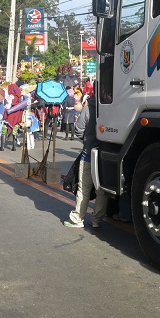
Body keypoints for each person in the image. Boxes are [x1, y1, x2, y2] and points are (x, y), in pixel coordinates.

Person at [64, 92, 109, 229]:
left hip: (88, 154)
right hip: (106, 155)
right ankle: (97, 219)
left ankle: (78, 218)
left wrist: (88, 140)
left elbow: (78, 129)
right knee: (101, 190)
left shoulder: (88, 108)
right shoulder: (111, 108)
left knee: (83, 189)